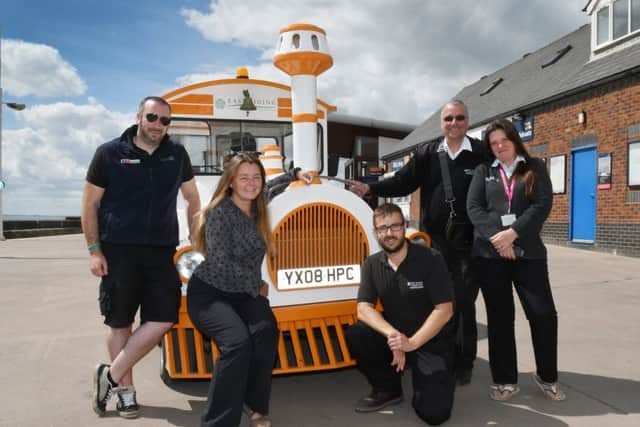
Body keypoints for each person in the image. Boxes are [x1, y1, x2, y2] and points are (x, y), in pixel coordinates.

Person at [349, 100, 485, 385]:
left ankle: (463, 363)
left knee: (462, 305)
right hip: (436, 244)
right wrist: (371, 187)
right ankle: (426, 351)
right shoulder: (427, 154)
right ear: (441, 123)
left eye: (460, 118)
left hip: (470, 245)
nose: (454, 123)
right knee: (432, 303)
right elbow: (402, 181)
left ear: (468, 121)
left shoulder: (481, 153)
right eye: (449, 118)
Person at [82, 96, 201, 418]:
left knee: (164, 318)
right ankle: (125, 392)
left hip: (162, 251)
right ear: (138, 117)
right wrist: (94, 251)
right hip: (118, 251)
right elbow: (90, 204)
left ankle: (109, 375)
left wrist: (196, 236)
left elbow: (192, 198)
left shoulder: (176, 154)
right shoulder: (109, 153)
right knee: (120, 323)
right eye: (152, 118)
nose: (158, 126)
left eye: (165, 121)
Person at [466, 118, 565, 402]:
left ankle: (547, 377)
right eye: (494, 144)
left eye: (504, 142)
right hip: (490, 255)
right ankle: (505, 380)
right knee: (500, 318)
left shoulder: (534, 168)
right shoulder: (483, 170)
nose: (499, 147)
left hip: (529, 253)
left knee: (543, 314)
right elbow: (474, 207)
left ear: (514, 141)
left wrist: (513, 233)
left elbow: (542, 204)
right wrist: (499, 239)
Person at [187, 153, 279, 427]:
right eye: (244, 178)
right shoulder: (219, 213)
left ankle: (254, 405)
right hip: (210, 293)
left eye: (256, 177)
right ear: (230, 182)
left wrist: (296, 175)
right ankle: (218, 422)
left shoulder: (259, 209)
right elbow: (221, 263)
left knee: (266, 331)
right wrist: (257, 284)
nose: (251, 183)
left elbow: (277, 185)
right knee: (237, 343)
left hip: (242, 293)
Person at [345, 203, 455, 425]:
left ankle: (432, 381)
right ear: (376, 232)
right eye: (383, 228)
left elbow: (445, 310)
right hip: (398, 337)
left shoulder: (430, 259)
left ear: (405, 227)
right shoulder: (372, 264)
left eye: (395, 226)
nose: (389, 233)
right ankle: (388, 389)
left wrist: (412, 343)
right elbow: (363, 309)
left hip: (430, 340)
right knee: (357, 333)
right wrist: (394, 336)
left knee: (435, 414)